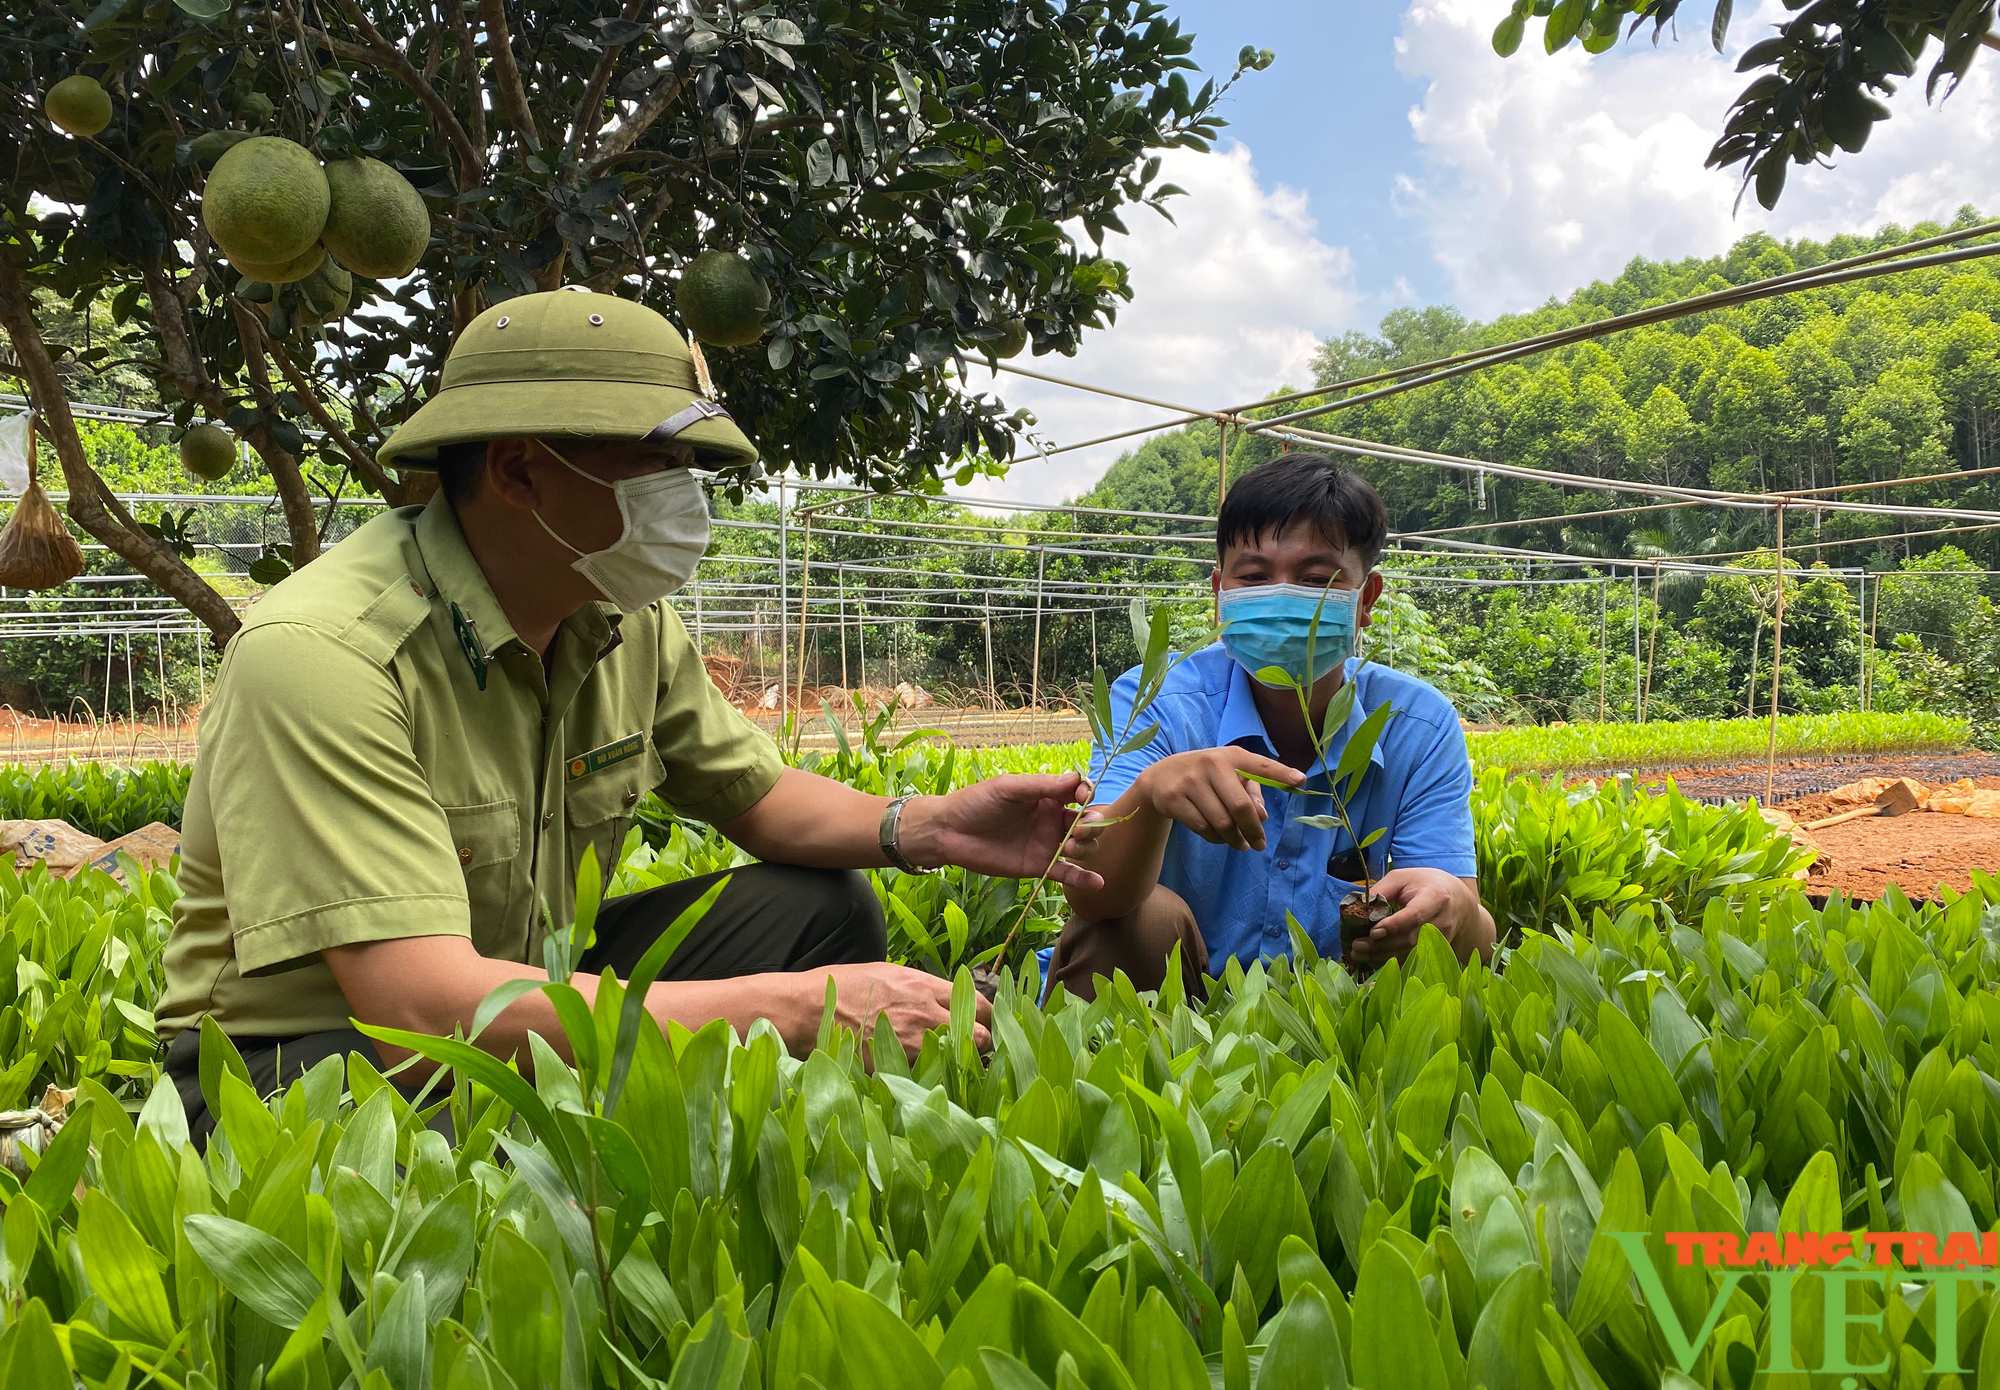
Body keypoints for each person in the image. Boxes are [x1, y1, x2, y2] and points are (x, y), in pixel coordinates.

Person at [156, 290, 1101, 1141]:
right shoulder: (326, 655)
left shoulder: (622, 619)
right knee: (510, 1152)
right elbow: (419, 1012)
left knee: (818, 910)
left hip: (521, 974)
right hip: (309, 1058)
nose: (683, 495)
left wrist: (931, 825)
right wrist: (796, 1011)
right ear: (522, 471)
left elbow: (757, 799)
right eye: (655, 461)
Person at [1046, 453, 1494, 1002]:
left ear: (1365, 600)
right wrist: (1151, 792)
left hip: (1326, 1014)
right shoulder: (1156, 703)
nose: (1283, 600)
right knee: (1140, 918)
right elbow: (1094, 899)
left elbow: (1474, 942)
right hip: (1169, 998)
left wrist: (1449, 903)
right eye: (1255, 577)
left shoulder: (1417, 725)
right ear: (1220, 595)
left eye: (1315, 579)